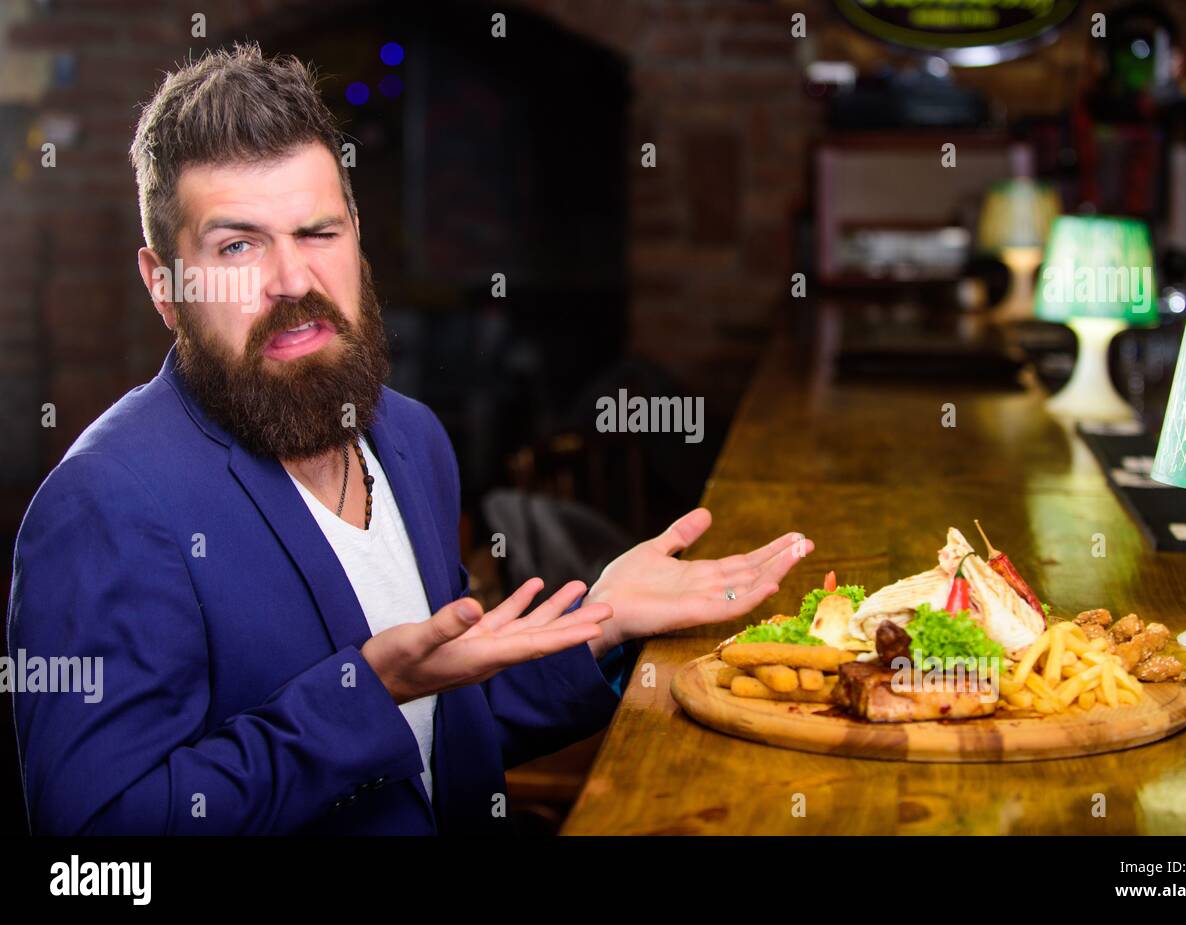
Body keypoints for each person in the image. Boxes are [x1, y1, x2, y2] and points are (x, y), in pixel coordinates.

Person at [5, 44, 813, 834]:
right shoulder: (105, 504)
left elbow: (440, 734)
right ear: (164, 285)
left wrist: (599, 622)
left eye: (318, 232)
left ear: (357, 234)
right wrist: (367, 688)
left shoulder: (410, 437)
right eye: (238, 246)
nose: (292, 280)